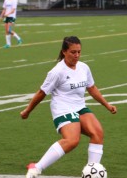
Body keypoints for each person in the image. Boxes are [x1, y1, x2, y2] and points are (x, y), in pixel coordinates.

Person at [20, 36, 117, 178]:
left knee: (97, 133)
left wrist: (107, 105)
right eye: (73, 52)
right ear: (64, 52)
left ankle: (91, 171)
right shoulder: (57, 72)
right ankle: (36, 168)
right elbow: (42, 93)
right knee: (72, 140)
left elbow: (92, 88)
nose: (76, 55)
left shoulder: (84, 67)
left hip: (79, 106)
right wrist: (27, 110)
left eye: (79, 52)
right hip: (62, 108)